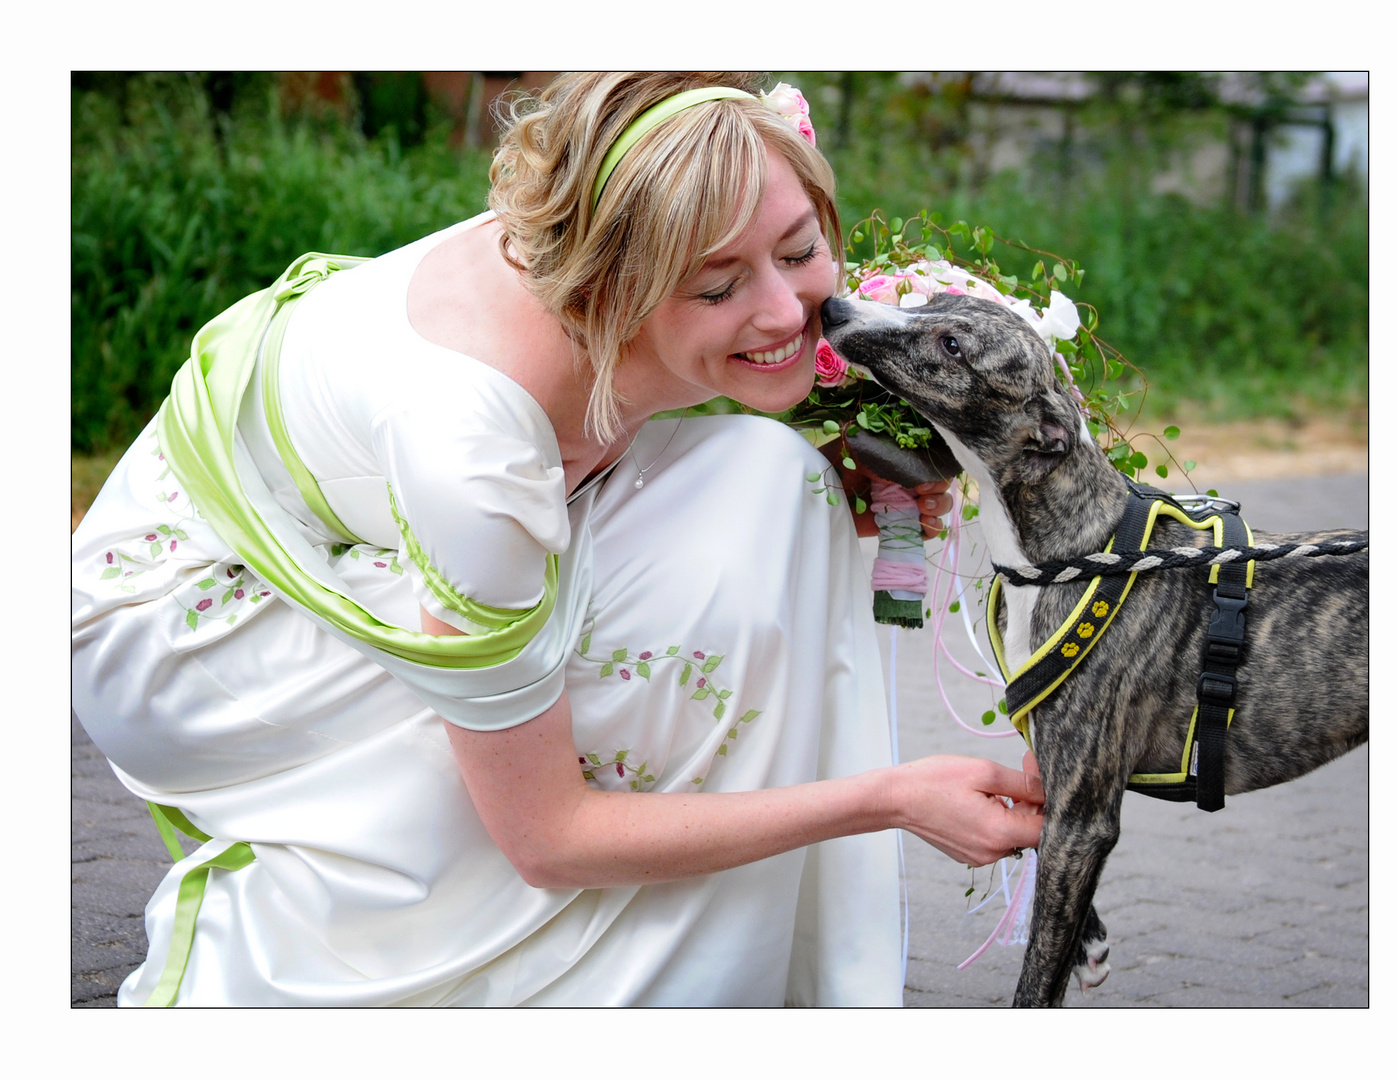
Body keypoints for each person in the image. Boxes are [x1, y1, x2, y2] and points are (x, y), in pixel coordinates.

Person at [71, 71, 1044, 1007]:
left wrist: (853, 430)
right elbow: (548, 837)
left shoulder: (600, 213)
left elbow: (739, 357)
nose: (789, 311)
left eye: (798, 251)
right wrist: (886, 800)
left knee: (774, 486)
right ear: (617, 288)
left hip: (362, 521)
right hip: (190, 625)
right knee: (649, 629)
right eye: (717, 289)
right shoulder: (477, 452)